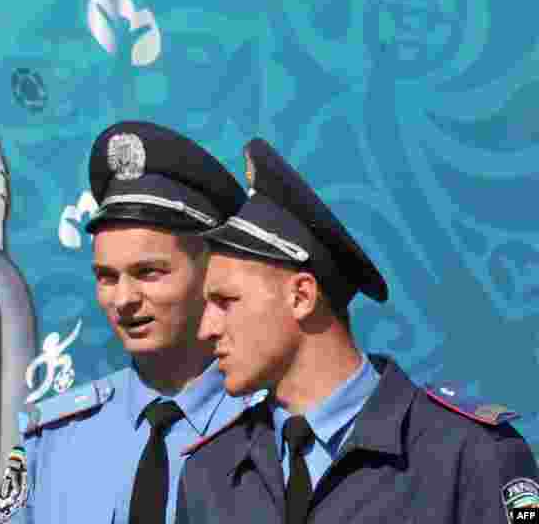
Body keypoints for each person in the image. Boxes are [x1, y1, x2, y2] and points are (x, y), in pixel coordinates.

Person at [175, 137, 539, 524]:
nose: (207, 329)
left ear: (301, 296)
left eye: (226, 301)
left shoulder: (470, 454)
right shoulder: (209, 473)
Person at [0, 121, 259, 524]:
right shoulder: (49, 439)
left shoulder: (275, 433)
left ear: (213, 272)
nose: (124, 300)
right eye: (107, 277)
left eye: (149, 272)